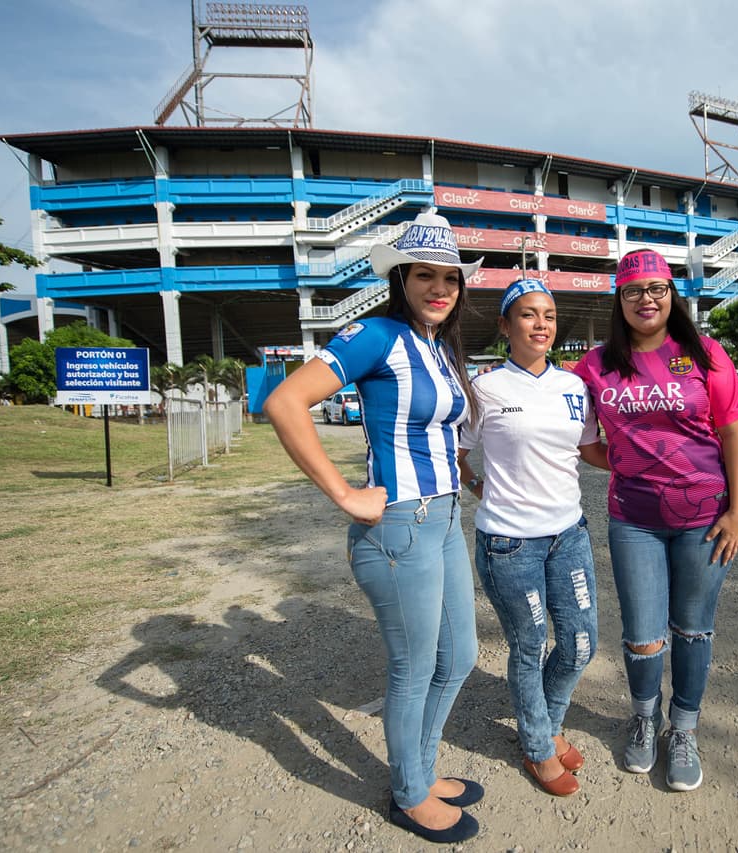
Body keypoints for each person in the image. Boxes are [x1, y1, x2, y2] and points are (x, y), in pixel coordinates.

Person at [262, 213, 483, 844]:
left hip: (442, 521)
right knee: (414, 666)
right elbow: (283, 402)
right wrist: (343, 493)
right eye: (425, 276)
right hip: (398, 529)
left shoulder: (437, 348)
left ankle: (422, 768)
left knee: (459, 655)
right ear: (401, 278)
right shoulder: (376, 336)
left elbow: (439, 433)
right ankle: (408, 792)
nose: (439, 288)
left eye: (449, 278)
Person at [572, 248, 738, 793]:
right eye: (633, 291)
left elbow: (733, 436)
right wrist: (631, 463)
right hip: (634, 521)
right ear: (619, 301)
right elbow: (585, 443)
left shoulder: (705, 354)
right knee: (644, 637)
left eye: (656, 289)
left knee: (693, 630)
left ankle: (685, 729)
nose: (645, 299)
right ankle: (645, 717)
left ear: (671, 295)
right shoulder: (596, 365)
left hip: (705, 520)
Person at [456, 280, 607, 798]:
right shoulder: (485, 388)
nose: (540, 324)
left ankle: (547, 722)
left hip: (569, 535)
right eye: (527, 315)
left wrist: (649, 462)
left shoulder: (574, 387)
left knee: (581, 643)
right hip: (509, 544)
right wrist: (478, 488)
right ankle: (539, 746)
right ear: (505, 325)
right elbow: (457, 451)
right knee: (529, 646)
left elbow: (589, 449)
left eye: (548, 314)